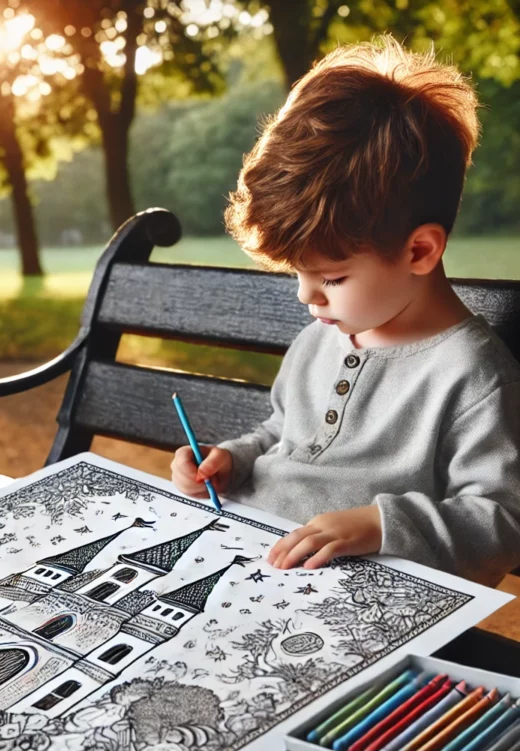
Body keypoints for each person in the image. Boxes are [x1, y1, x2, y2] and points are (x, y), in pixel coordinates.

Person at [171, 34, 520, 587]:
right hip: (244, 557)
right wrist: (231, 461)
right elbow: (282, 433)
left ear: (419, 251)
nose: (307, 296)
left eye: (331, 277)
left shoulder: (471, 375)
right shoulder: (324, 335)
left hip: (356, 595)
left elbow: (501, 521)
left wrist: (380, 525)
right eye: (298, 274)